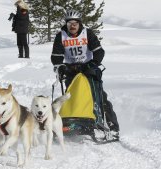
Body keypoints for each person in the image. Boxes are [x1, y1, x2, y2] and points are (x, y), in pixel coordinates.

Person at [51, 10, 120, 140]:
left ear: (79, 23)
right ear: (66, 24)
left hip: (88, 69)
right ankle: (72, 123)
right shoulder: (61, 36)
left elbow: (99, 52)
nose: (72, 26)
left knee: (99, 98)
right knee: (70, 98)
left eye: (75, 23)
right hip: (71, 71)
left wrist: (93, 64)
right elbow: (56, 56)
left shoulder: (87, 33)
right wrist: (60, 67)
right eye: (70, 23)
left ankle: (112, 127)